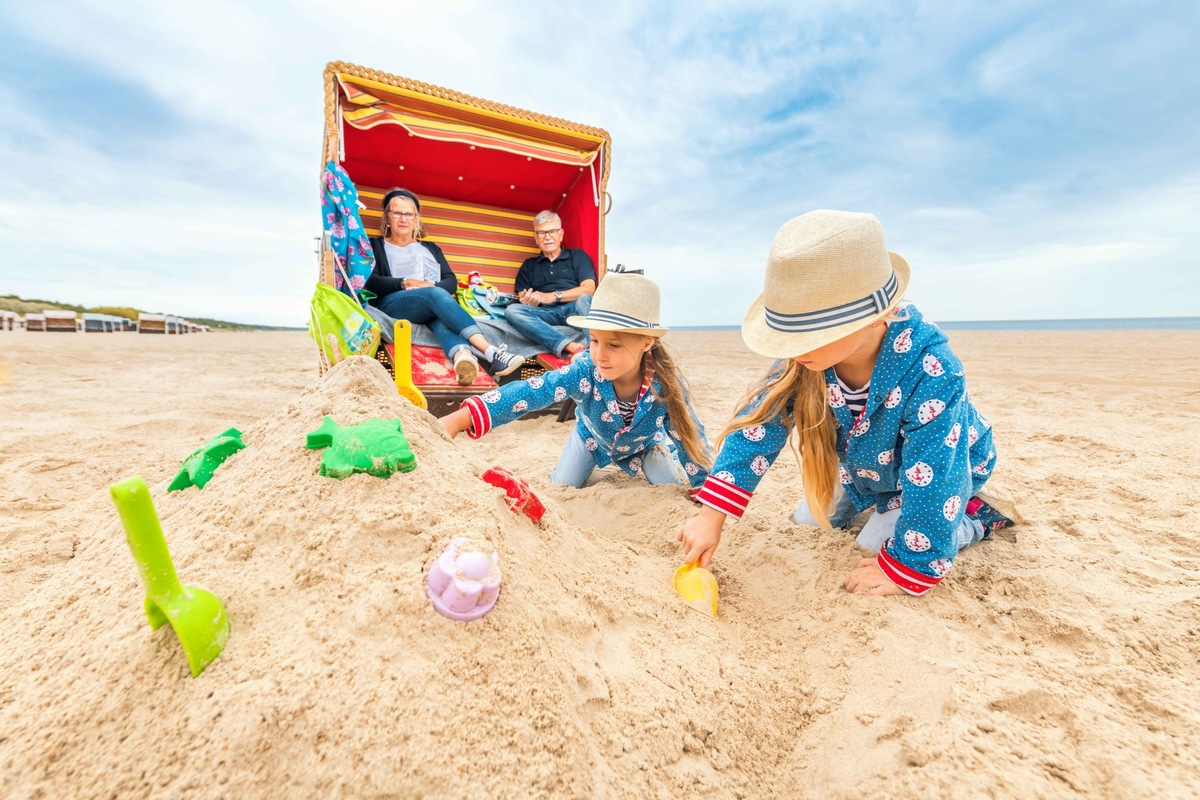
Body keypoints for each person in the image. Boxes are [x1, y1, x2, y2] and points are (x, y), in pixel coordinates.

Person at [677, 210, 1015, 597]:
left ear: (876, 318)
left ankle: (976, 516)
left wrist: (907, 568)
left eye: (811, 331)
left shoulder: (933, 370)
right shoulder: (803, 358)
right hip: (865, 468)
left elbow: (936, 472)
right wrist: (710, 516)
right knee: (807, 522)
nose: (793, 347)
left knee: (877, 547)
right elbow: (757, 429)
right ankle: (878, 505)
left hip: (936, 470)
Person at [440, 272, 712, 491]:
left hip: (645, 445)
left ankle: (663, 461)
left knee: (669, 487)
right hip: (590, 439)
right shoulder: (584, 369)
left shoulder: (666, 384)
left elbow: (689, 433)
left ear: (647, 343)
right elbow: (531, 392)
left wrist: (701, 484)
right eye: (594, 340)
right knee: (562, 486)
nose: (600, 355)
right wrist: (461, 419)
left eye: (614, 345)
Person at [367, 188, 525, 385]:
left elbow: (450, 280)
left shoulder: (430, 248)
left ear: (417, 218)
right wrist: (406, 282)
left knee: (437, 311)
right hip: (394, 303)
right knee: (434, 295)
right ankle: (490, 351)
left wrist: (430, 289)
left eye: (409, 214)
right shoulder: (375, 245)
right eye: (397, 213)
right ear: (387, 217)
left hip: (429, 304)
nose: (403, 219)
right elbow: (371, 281)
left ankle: (462, 356)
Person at [503, 210, 596, 358]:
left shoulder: (577, 256)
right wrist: (530, 301)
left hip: (574, 309)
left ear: (561, 234)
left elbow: (589, 289)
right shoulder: (529, 265)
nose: (547, 237)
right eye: (541, 233)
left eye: (552, 231)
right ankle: (570, 346)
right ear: (536, 238)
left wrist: (552, 296)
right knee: (512, 311)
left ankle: (595, 351)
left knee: (584, 299)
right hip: (547, 314)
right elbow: (523, 298)